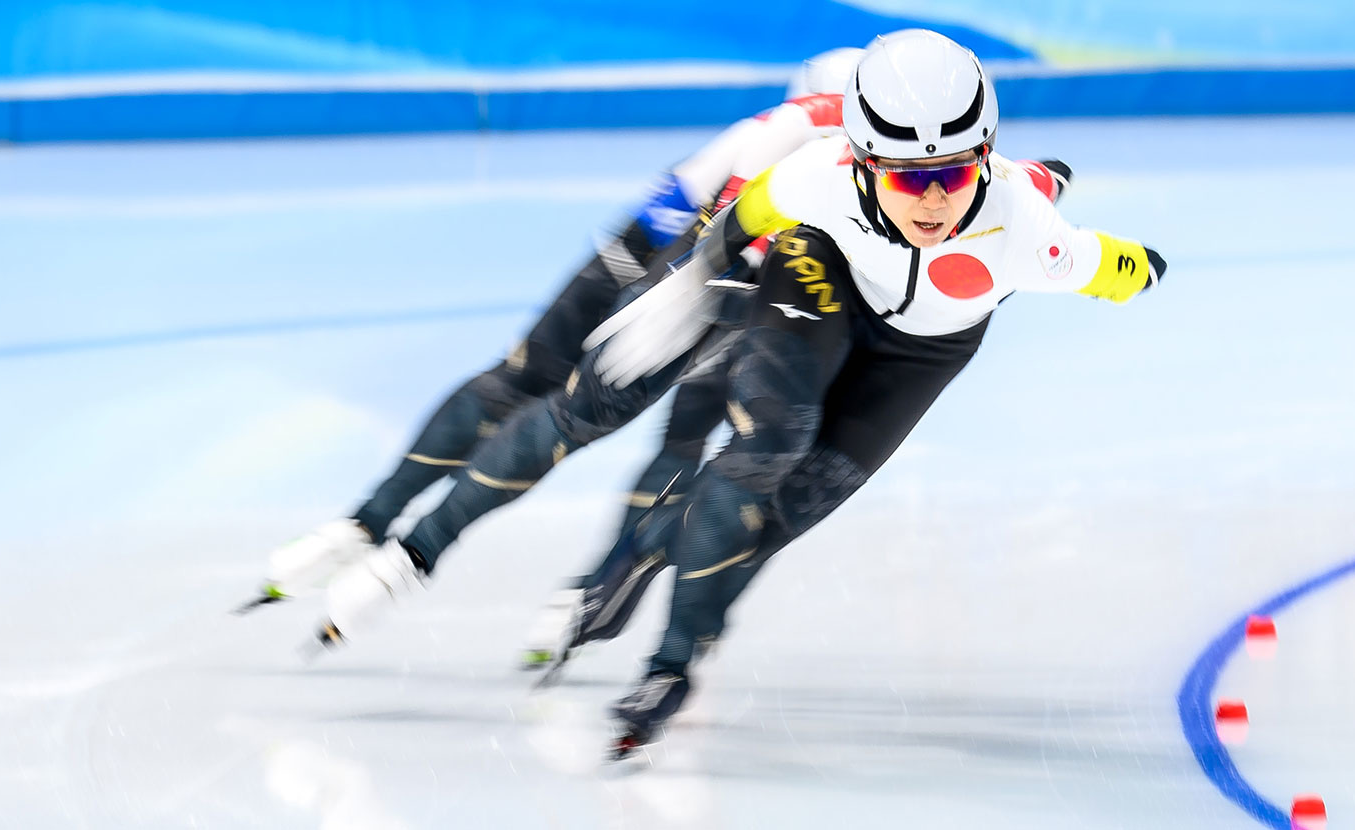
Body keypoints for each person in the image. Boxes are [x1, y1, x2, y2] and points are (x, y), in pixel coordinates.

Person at [578, 29, 1167, 759]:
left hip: (922, 355)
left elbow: (1114, 266)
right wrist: (691, 285)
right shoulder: (818, 173)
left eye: (951, 176)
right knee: (766, 450)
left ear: (984, 160)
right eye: (905, 177)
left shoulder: (1025, 232)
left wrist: (1138, 267)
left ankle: (651, 549)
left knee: (774, 524)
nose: (932, 202)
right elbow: (743, 218)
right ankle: (665, 671)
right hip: (834, 294)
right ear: (859, 163)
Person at [244, 48, 867, 616]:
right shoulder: (867, 156)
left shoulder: (776, 125)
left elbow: (662, 217)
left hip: (681, 262)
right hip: (765, 294)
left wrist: (630, 281)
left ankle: (369, 519)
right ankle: (601, 585)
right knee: (687, 440)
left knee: (525, 384)